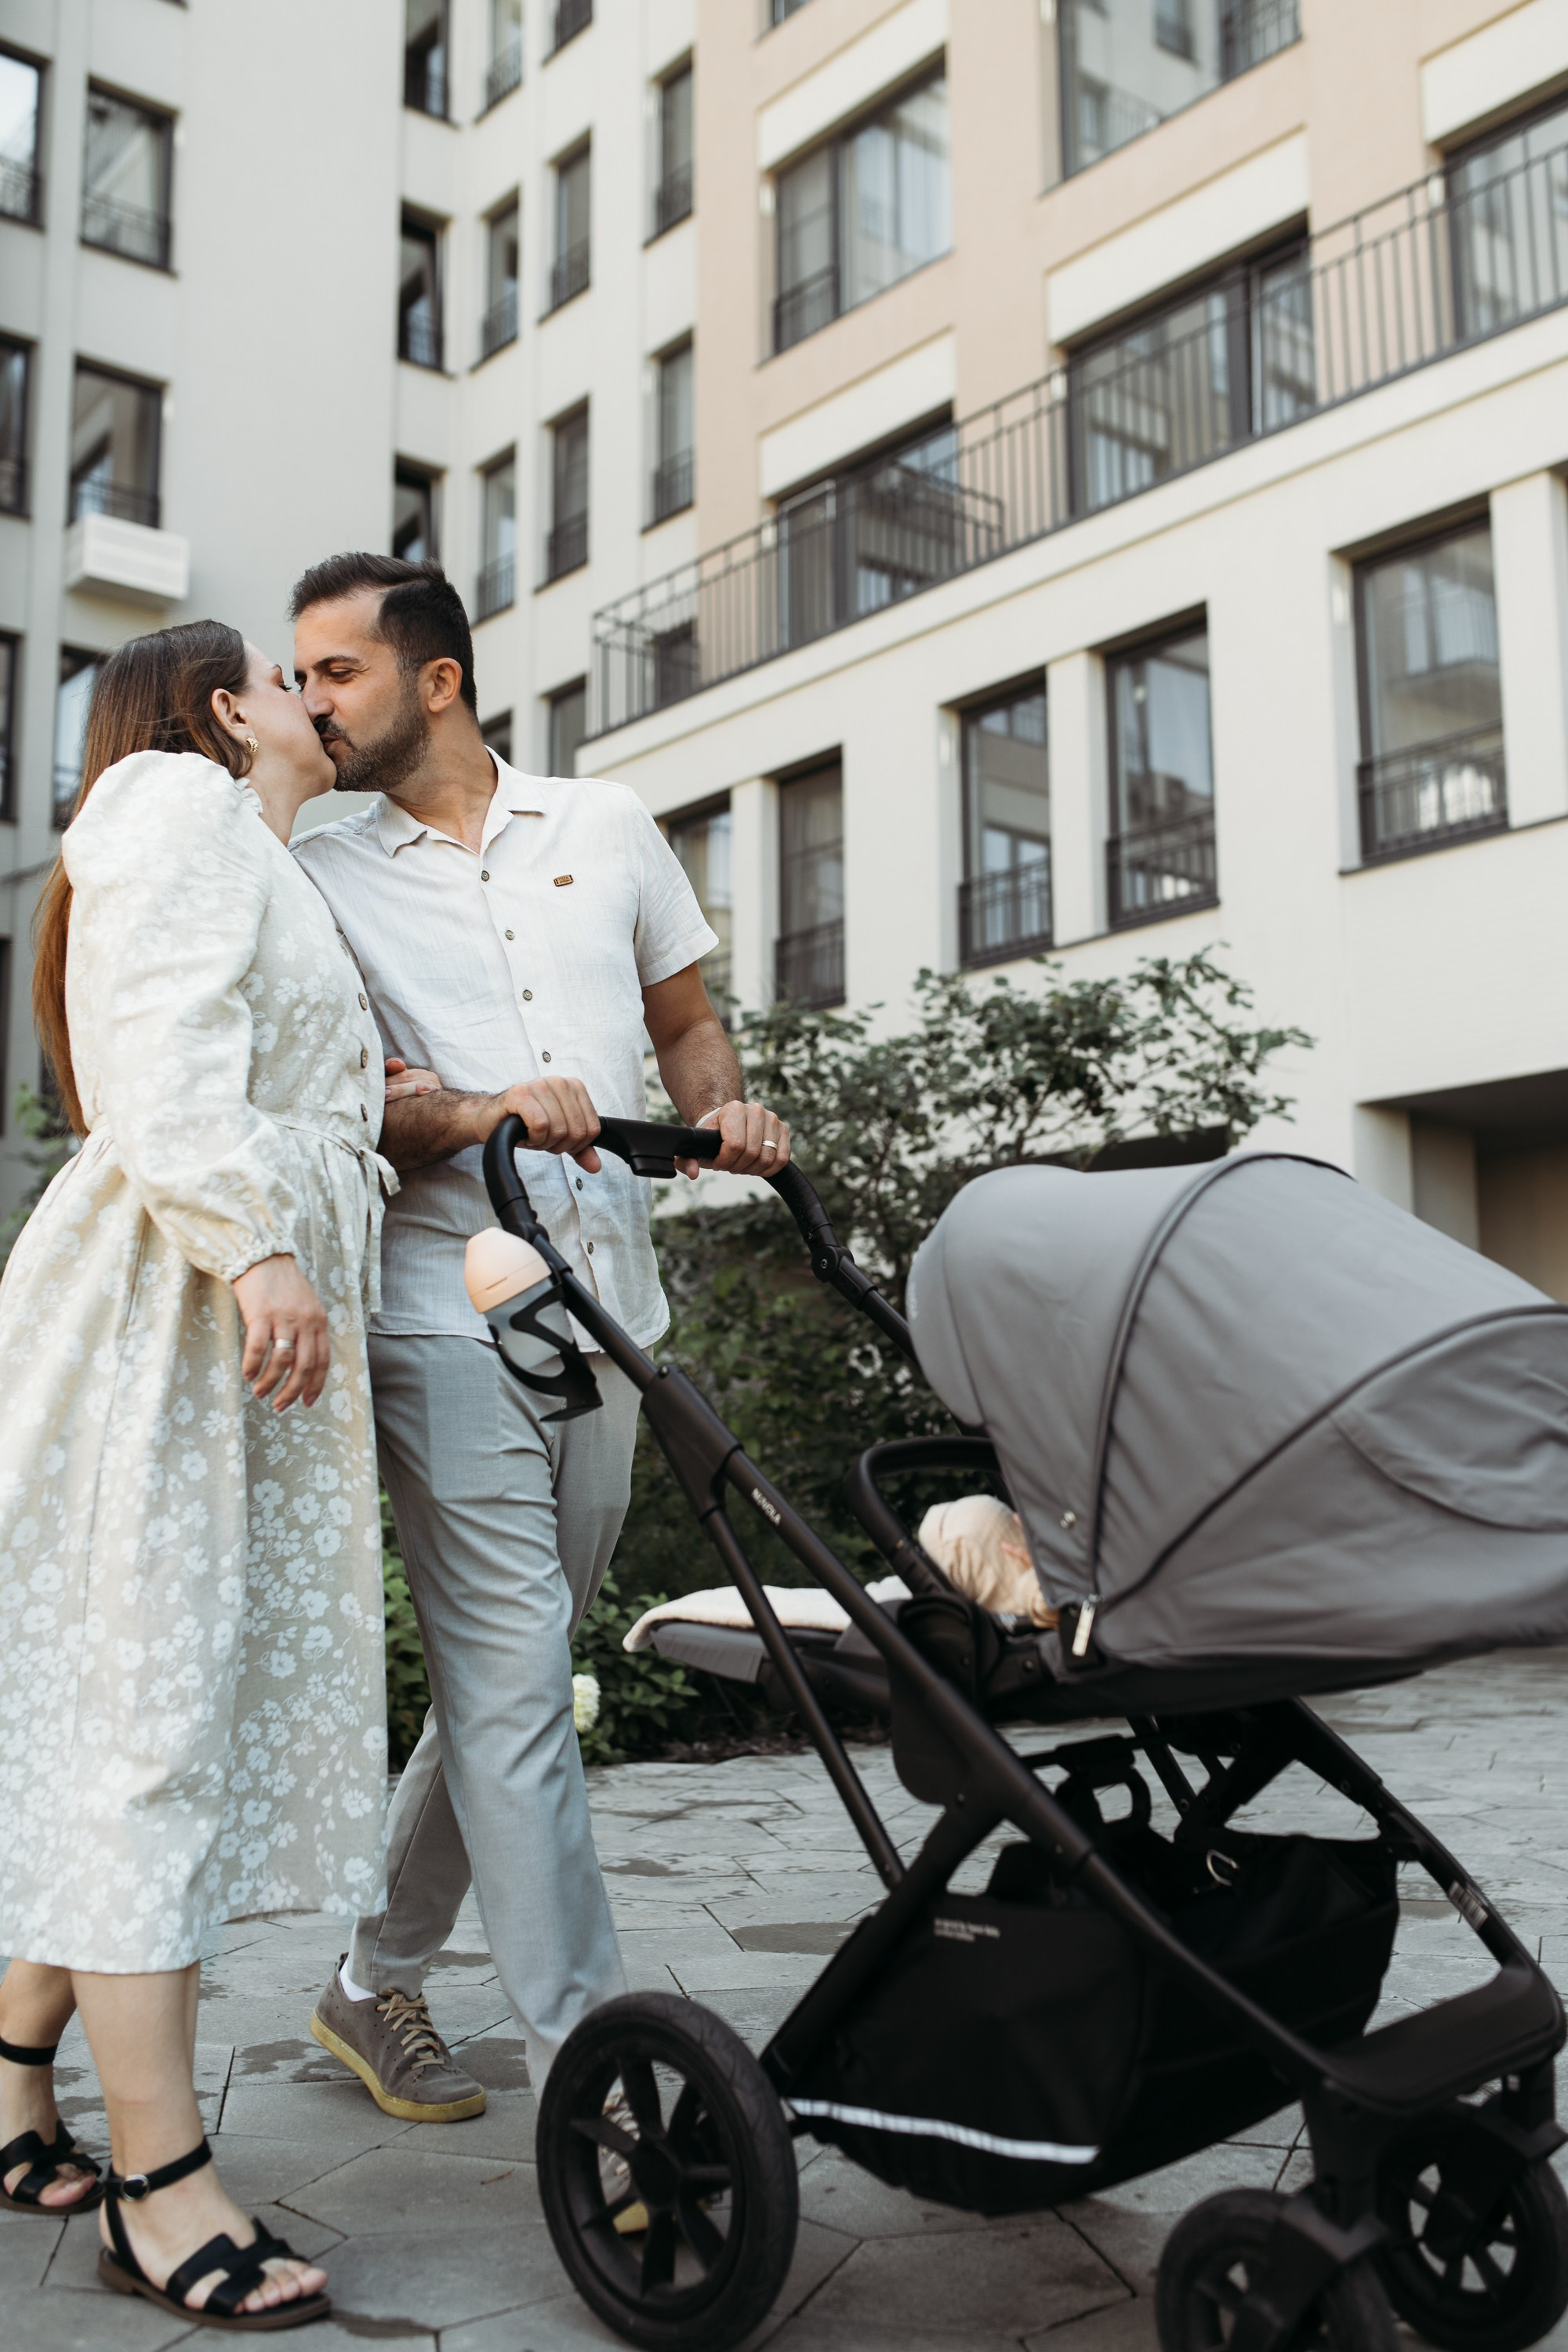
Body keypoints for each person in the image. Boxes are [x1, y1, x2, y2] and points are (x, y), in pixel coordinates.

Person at [289, 554, 789, 2114]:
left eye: (337, 672)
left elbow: (684, 1021)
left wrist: (720, 1112)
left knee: (509, 1675)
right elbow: (347, 1103)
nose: (310, 703)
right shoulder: (316, 871)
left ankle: (369, 1979)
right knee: (513, 1690)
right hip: (440, 1311)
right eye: (298, 677)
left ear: (436, 680)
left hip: (611, 1309)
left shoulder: (608, 825)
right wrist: (479, 1108)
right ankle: (602, 2079)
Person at [0, 620, 401, 2329]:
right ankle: (159, 2193)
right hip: (170, 1315)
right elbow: (162, 1053)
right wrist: (255, 1246)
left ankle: (8, 2079)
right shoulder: (174, 801)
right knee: (144, 1732)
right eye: (294, 678)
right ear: (230, 710)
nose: (323, 698)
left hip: (225, 1318)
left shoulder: (261, 856)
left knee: (154, 1717)